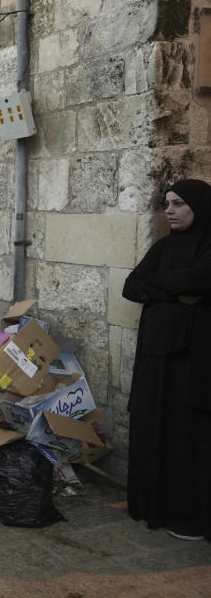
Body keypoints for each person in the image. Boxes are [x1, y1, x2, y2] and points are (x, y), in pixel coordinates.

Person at [122, 178, 211, 542]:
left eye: (178, 204)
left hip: (194, 363)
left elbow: (203, 277)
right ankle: (150, 507)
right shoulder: (164, 247)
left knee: (186, 437)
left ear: (199, 208)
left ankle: (187, 517)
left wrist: (158, 287)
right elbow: (131, 285)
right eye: (167, 204)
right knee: (155, 426)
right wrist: (177, 293)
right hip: (158, 360)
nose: (170, 211)